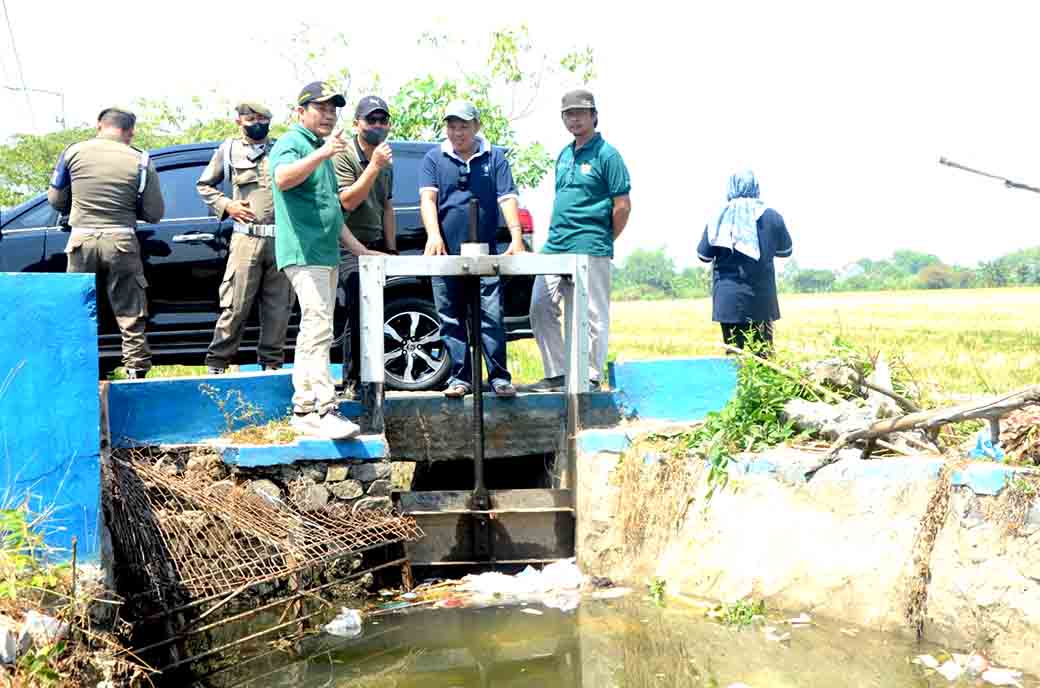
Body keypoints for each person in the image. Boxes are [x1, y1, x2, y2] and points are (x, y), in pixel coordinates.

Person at [269, 81, 383, 439]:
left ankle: (306, 407)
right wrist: (322, 154)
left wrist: (362, 250)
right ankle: (321, 408)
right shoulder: (293, 143)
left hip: (327, 251)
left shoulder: (322, 149)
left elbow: (333, 211)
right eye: (321, 108)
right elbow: (282, 178)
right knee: (317, 327)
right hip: (304, 252)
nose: (329, 115)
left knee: (318, 329)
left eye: (333, 109)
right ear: (300, 112)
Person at [524, 89, 631, 393]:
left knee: (592, 313)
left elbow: (622, 205)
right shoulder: (564, 154)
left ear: (594, 116)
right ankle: (557, 373)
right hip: (557, 242)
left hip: (591, 243)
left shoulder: (607, 154)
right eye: (569, 113)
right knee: (540, 306)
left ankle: (591, 376)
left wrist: (604, 238)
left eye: (580, 113)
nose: (575, 118)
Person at [47, 106, 165, 379]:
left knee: (78, 307)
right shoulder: (141, 159)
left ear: (99, 125)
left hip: (81, 240)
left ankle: (74, 369)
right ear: (130, 132)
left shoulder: (72, 152)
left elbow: (56, 200)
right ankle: (135, 368)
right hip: (121, 239)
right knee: (130, 310)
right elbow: (154, 213)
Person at [419, 99, 525, 399]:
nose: (457, 132)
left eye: (463, 125)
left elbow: (507, 198)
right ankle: (459, 377)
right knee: (450, 315)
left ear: (476, 126)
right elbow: (428, 199)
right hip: (446, 253)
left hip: (486, 251)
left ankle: (499, 378)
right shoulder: (433, 158)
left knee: (491, 314)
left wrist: (516, 238)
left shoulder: (496, 157)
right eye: (452, 126)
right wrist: (433, 235)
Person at [197, 101, 294, 374]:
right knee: (235, 305)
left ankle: (272, 365)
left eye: (262, 118)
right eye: (250, 118)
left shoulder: (283, 150)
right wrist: (227, 205)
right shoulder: (228, 150)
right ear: (239, 121)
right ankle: (217, 364)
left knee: (279, 308)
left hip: (282, 240)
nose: (257, 123)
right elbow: (204, 185)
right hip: (246, 239)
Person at [333, 95, 397, 390]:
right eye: (371, 120)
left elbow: (387, 206)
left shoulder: (387, 159)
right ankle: (352, 381)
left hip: (375, 243)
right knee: (356, 313)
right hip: (346, 243)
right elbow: (348, 200)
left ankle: (376, 377)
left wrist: (391, 248)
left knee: (377, 312)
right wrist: (373, 166)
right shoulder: (343, 154)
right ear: (357, 123)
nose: (377, 125)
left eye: (382, 120)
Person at [697, 170, 792, 354]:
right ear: (756, 187)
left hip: (728, 300)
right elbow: (785, 251)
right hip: (761, 300)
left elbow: (704, 256)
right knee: (764, 357)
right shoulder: (772, 217)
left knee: (734, 357)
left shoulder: (718, 218)